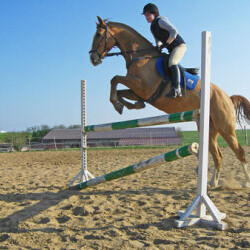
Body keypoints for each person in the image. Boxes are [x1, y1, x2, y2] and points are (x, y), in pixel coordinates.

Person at [142, 3, 187, 98]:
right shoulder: (152, 27)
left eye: (148, 15)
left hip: (179, 46)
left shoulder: (160, 21)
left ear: (154, 14)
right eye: (145, 15)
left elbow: (174, 31)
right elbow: (157, 40)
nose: (146, 17)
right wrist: (158, 46)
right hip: (171, 49)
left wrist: (167, 43)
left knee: (172, 62)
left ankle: (176, 89)